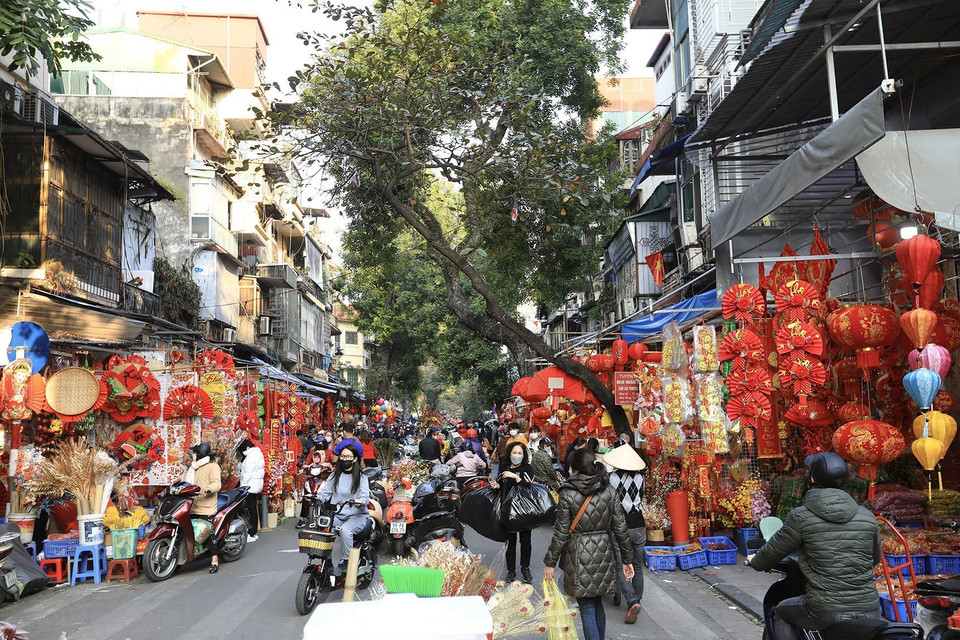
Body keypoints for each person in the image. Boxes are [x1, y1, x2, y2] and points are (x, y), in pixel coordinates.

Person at [748, 452, 882, 640]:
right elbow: (875, 558)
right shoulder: (867, 516)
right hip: (870, 610)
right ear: (844, 481)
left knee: (781, 612)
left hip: (825, 610)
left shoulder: (801, 517)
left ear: (812, 479)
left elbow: (770, 553)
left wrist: (755, 560)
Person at [543, 449, 634, 640]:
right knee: (598, 603)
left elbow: (560, 532)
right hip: (604, 552)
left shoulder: (567, 493)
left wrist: (550, 562)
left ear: (575, 469)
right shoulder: (608, 490)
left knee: (586, 607)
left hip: (578, 553)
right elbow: (620, 528)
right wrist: (627, 560)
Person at [604, 442, 647, 624]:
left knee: (621, 563)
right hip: (638, 525)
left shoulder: (610, 478)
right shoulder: (641, 478)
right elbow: (641, 497)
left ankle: (632, 601)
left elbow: (607, 500)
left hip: (619, 525)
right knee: (637, 565)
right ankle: (636, 599)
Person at [317, 445, 371, 578]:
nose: (344, 459)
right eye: (342, 456)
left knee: (345, 530)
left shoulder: (361, 477)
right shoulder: (334, 475)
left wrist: (361, 501)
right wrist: (316, 498)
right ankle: (326, 561)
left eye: (348, 457)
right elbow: (326, 492)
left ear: (354, 459)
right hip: (337, 514)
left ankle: (348, 562)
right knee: (324, 529)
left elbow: (365, 495)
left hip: (357, 515)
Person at [490, 441, 535, 583]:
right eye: (514, 453)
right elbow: (500, 484)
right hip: (507, 510)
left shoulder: (527, 468)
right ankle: (511, 571)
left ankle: (525, 568)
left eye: (519, 453)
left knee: (525, 541)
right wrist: (495, 485)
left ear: (524, 455)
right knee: (510, 541)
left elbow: (529, 485)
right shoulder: (504, 467)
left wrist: (515, 476)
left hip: (524, 510)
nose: (516, 455)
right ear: (510, 453)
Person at [185, 442, 222, 573]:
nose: (193, 455)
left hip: (206, 506)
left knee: (207, 533)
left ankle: (214, 559)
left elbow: (216, 483)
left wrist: (208, 488)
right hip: (193, 505)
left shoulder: (213, 466)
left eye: (195, 452)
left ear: (200, 454)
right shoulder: (194, 467)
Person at [235, 439, 265, 543]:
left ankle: (252, 532)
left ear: (247, 448)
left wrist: (242, 486)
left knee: (251, 508)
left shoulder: (251, 457)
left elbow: (247, 473)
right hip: (255, 485)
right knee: (253, 509)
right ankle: (254, 532)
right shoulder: (257, 453)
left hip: (250, 486)